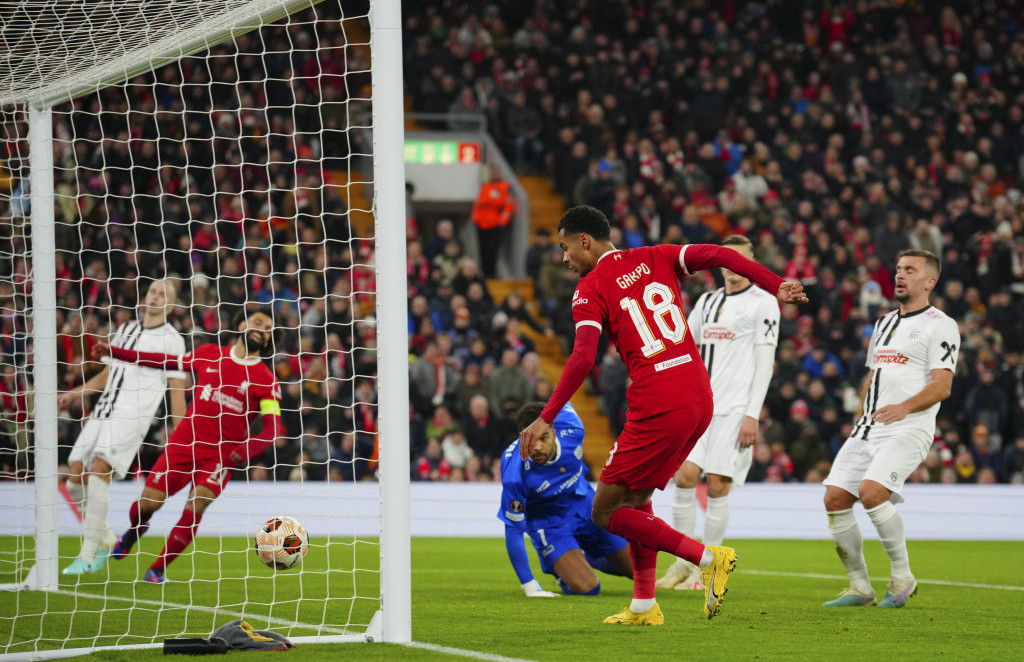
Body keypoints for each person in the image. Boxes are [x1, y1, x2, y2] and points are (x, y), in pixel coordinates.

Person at [519, 205, 807, 625]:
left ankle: (708, 557)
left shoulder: (590, 288)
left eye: (565, 248)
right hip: (698, 396)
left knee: (605, 513)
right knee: (639, 501)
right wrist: (775, 284)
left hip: (658, 403)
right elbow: (724, 256)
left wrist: (547, 414)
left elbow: (582, 357)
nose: (564, 258)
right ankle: (643, 605)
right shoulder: (655, 255)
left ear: (585, 240)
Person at [92, 308, 284, 583]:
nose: (262, 329)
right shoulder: (208, 353)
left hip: (219, 457)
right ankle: (135, 530)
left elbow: (273, 428)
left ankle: (157, 568)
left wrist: (244, 451)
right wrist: (114, 352)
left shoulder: (266, 379)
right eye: (258, 322)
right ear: (241, 324)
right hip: (184, 444)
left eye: (267, 329)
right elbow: (162, 360)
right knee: (147, 504)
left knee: (197, 505)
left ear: (267, 342)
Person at [822, 249, 959, 608]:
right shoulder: (883, 322)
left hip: (908, 427)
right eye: (898, 269)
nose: (900, 275)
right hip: (868, 428)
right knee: (834, 499)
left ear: (930, 281)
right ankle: (859, 588)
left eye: (910, 270)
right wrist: (860, 410)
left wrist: (903, 408)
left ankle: (902, 577)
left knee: (871, 493)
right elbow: (874, 374)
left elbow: (942, 385)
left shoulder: (940, 324)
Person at [656, 235, 781, 591]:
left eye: (741, 258)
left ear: (751, 262)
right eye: (727, 258)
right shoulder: (707, 303)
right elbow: (684, 346)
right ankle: (683, 561)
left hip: (735, 409)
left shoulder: (763, 303)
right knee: (683, 478)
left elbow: (764, 362)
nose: (733, 265)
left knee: (716, 485)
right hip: (699, 409)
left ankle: (709, 568)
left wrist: (752, 414)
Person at [59, 280, 187, 575]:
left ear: (172, 305)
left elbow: (176, 391)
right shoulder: (126, 329)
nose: (156, 297)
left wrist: (182, 437)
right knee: (74, 479)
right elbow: (107, 375)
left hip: (132, 417)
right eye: (153, 291)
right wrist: (75, 393)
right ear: (145, 296)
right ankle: (105, 538)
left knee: (99, 469)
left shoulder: (172, 340)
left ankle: (87, 556)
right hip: (103, 411)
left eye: (163, 295)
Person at [499, 401, 632, 597]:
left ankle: (588, 558)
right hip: (549, 523)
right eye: (529, 440)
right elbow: (513, 530)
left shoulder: (573, 427)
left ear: (554, 431)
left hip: (585, 504)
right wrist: (530, 586)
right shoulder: (514, 472)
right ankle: (563, 568)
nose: (536, 447)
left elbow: (563, 397)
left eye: (543, 438)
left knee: (639, 570)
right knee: (589, 589)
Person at [471, 170, 515, 278]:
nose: (493, 175)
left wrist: (502, 221)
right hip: (481, 224)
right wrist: (475, 219)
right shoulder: (485, 187)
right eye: (492, 173)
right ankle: (485, 274)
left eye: (496, 173)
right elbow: (478, 204)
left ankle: (491, 274)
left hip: (494, 225)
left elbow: (508, 206)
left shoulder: (504, 187)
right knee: (483, 250)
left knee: (492, 251)